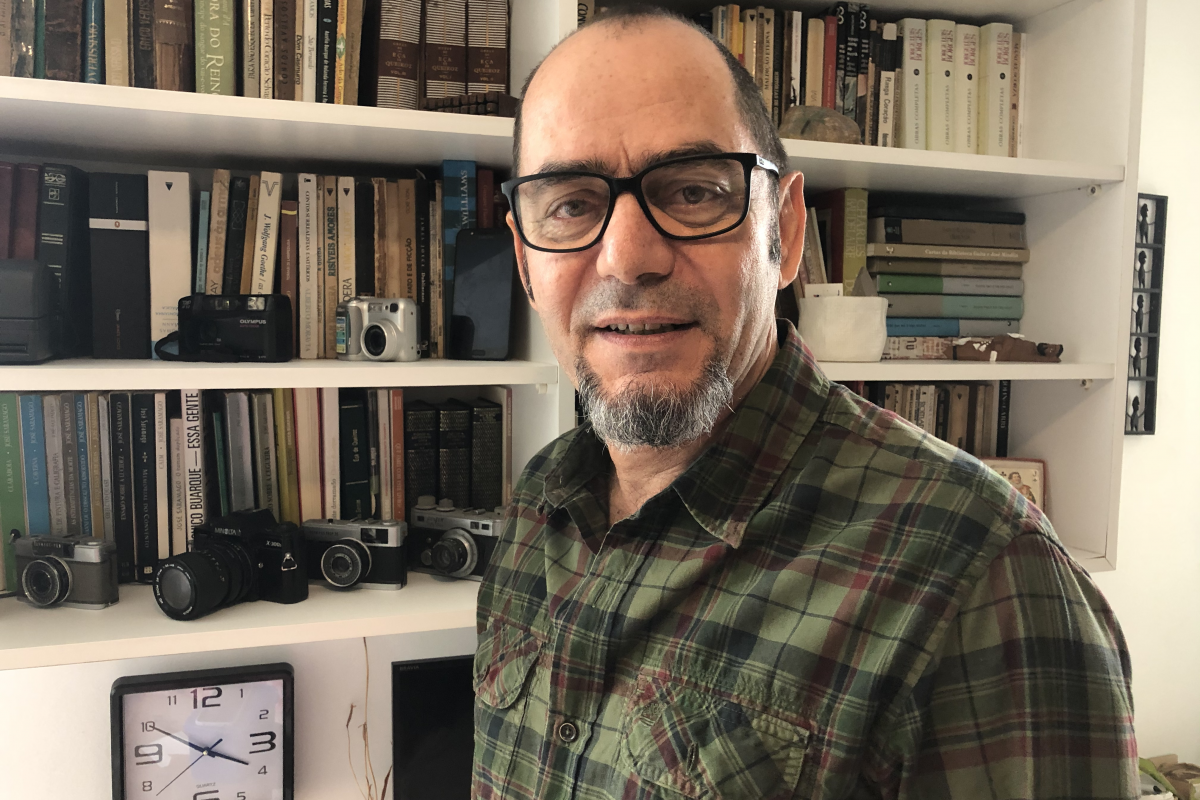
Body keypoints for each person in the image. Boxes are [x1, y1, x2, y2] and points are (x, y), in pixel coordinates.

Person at [474, 7, 1138, 799]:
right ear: (526, 261)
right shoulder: (539, 502)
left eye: (692, 192)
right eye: (571, 205)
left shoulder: (982, 575)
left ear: (784, 232)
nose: (627, 258)